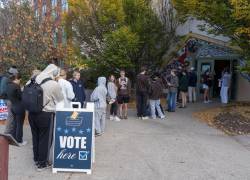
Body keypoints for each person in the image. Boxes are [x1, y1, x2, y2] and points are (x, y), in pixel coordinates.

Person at [27, 64, 64, 171]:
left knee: (36, 136)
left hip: (31, 113)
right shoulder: (53, 84)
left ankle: (36, 159)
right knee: (45, 139)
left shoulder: (31, 80)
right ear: (54, 73)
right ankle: (42, 163)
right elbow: (60, 99)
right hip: (45, 114)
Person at [6, 73, 26, 145]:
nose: (20, 81)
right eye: (20, 80)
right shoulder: (17, 86)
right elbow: (21, 97)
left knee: (15, 123)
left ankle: (13, 138)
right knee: (19, 124)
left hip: (13, 106)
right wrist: (22, 90)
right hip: (19, 107)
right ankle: (19, 140)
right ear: (17, 79)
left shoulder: (8, 85)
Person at [1, 66, 19, 135]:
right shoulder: (8, 79)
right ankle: (7, 132)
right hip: (8, 99)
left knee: (11, 115)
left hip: (6, 98)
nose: (16, 75)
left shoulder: (5, 77)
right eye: (15, 73)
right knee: (10, 116)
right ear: (13, 73)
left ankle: (10, 131)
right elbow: (6, 90)